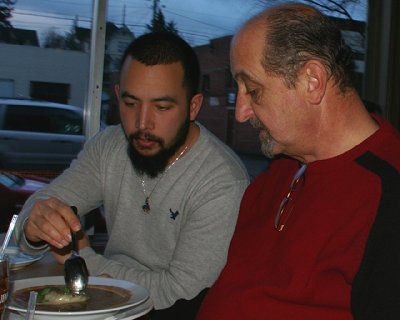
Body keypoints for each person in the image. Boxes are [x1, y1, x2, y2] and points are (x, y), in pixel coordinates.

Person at [14, 32, 249, 318]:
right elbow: (40, 209)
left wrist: (85, 262)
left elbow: (180, 294)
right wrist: (35, 226)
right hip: (106, 303)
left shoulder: (222, 181)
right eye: (130, 103)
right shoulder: (108, 146)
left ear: (193, 106)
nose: (142, 123)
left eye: (162, 107)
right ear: (117, 96)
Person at [197, 3, 400, 320]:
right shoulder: (279, 169)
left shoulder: (387, 198)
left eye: (253, 90)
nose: (241, 113)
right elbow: (234, 293)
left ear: (313, 81)